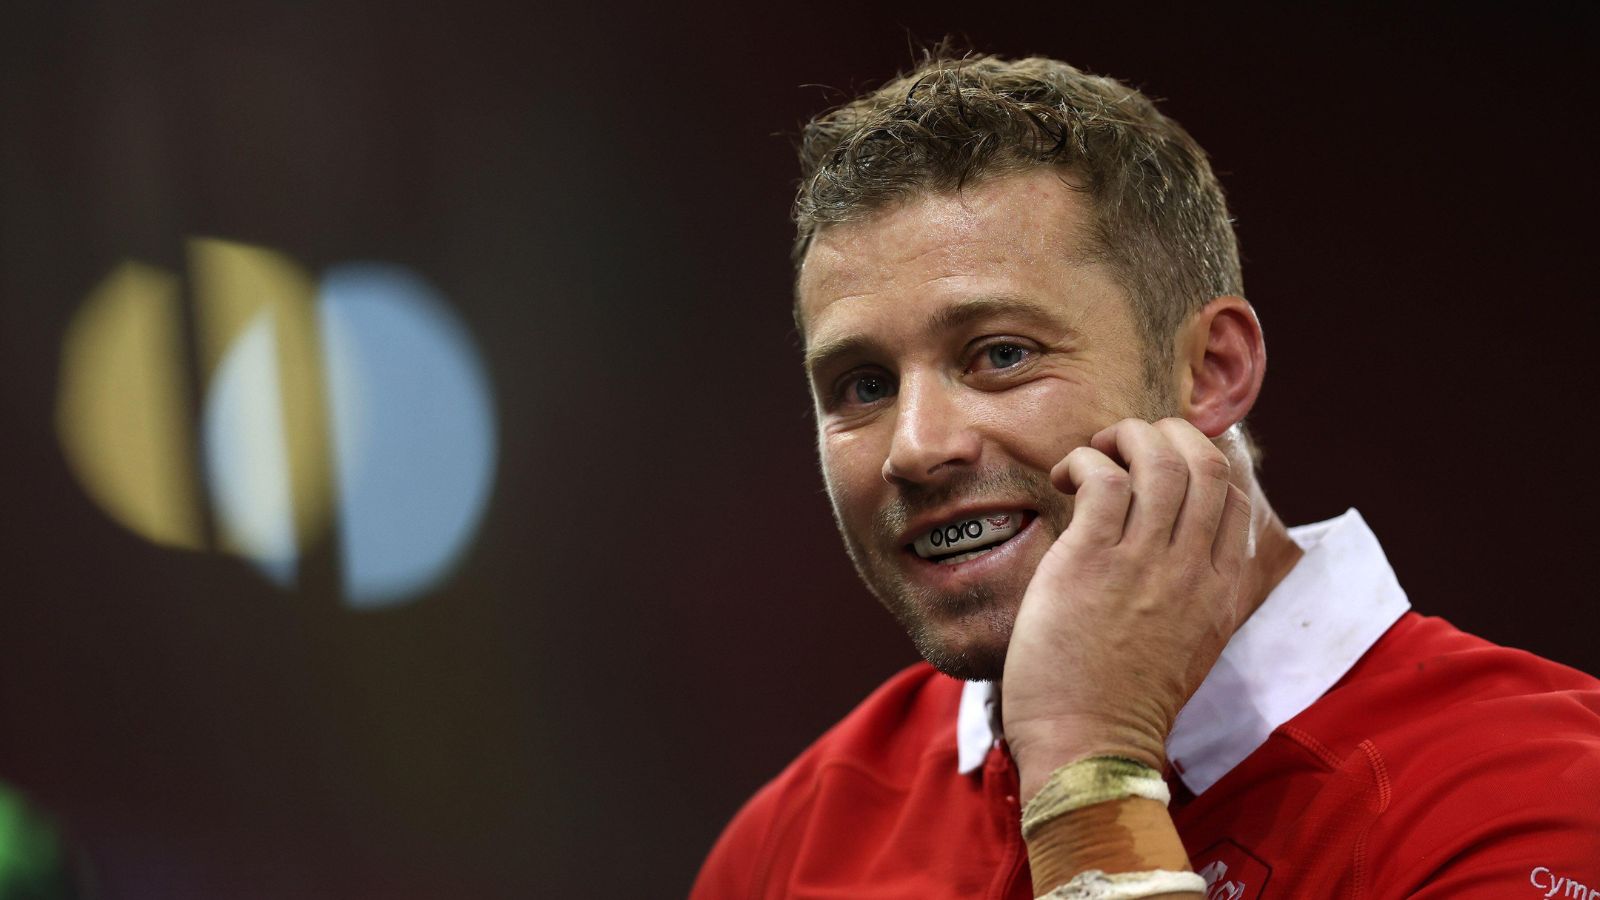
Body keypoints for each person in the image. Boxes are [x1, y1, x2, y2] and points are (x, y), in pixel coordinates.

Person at [691, 53, 1600, 900]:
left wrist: (1089, 778)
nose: (916, 448)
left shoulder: (1535, 799)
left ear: (1211, 372)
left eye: (1001, 354)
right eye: (864, 385)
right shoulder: (793, 841)